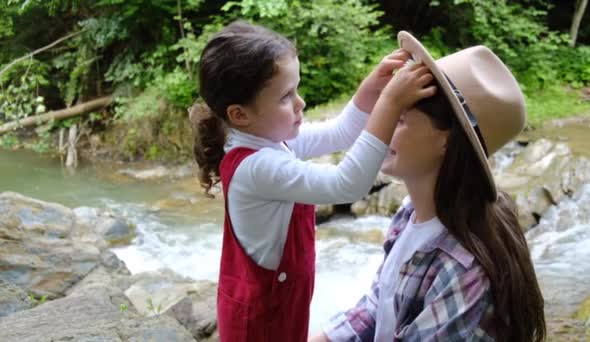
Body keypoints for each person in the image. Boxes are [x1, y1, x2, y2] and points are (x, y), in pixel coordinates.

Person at [189, 21, 436, 342]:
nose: (300, 103)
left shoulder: (270, 139)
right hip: (259, 319)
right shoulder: (257, 166)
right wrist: (390, 104)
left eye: (297, 89)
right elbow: (346, 184)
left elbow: (339, 133)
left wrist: (370, 91)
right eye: (285, 96)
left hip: (279, 301)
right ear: (240, 115)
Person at [310, 31, 546, 342]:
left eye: (400, 119)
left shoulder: (464, 269)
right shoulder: (412, 212)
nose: (379, 127)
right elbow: (377, 308)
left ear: (446, 141)